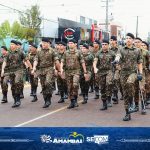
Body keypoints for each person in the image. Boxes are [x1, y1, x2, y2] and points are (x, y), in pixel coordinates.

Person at [114, 33, 143, 121]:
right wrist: (116, 60)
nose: (128, 39)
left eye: (130, 38)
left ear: (133, 40)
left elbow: (140, 62)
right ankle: (127, 113)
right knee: (125, 93)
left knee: (130, 83)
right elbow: (118, 56)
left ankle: (132, 103)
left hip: (133, 73)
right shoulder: (121, 49)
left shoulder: (137, 50)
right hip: (123, 73)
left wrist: (140, 73)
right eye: (126, 38)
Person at [1, 40, 32, 108]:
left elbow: (27, 60)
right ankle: (15, 100)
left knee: (17, 82)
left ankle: (18, 99)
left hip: (19, 70)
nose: (11, 45)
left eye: (12, 44)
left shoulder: (20, 52)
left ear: (15, 45)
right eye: (10, 44)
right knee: (13, 86)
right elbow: (5, 62)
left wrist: (31, 68)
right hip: (11, 71)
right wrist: (3, 69)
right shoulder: (8, 53)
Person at [31, 37, 61, 108]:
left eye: (45, 43)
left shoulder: (53, 51)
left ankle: (49, 97)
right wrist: (34, 67)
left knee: (48, 83)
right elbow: (36, 60)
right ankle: (46, 100)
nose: (43, 44)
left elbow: (56, 61)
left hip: (50, 69)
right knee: (43, 86)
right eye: (42, 43)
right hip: (41, 70)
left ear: (48, 43)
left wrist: (59, 70)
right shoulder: (39, 51)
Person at [60, 39, 87, 109]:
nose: (70, 44)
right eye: (69, 43)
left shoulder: (78, 52)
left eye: (72, 43)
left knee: (75, 85)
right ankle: (72, 101)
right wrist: (61, 69)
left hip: (76, 71)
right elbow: (62, 61)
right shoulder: (66, 53)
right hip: (68, 72)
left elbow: (82, 62)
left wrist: (85, 71)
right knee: (69, 87)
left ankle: (75, 99)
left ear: (75, 44)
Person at [93, 39, 115, 110]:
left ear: (108, 45)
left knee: (109, 83)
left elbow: (117, 61)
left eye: (105, 44)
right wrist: (95, 68)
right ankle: (104, 103)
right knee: (102, 88)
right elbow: (95, 61)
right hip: (101, 72)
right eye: (103, 44)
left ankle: (109, 98)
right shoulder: (98, 53)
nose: (104, 46)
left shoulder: (112, 53)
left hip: (109, 71)